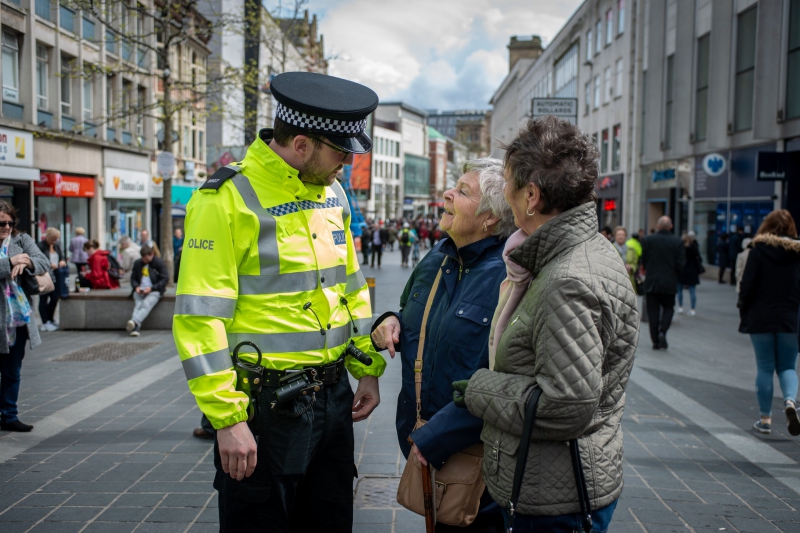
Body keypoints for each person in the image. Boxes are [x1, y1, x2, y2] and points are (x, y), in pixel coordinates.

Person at [173, 71, 385, 532]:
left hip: (332, 400)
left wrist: (366, 368)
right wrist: (227, 420)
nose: (346, 163)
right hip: (265, 408)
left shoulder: (332, 194)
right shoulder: (225, 200)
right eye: (340, 151)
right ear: (303, 144)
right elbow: (198, 319)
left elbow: (349, 289)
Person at [456, 117, 638, 532]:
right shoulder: (570, 253)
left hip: (555, 496)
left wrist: (480, 388)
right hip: (557, 480)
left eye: (507, 183)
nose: (504, 194)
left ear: (532, 196)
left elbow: (564, 405)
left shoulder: (566, 280)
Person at [371, 158, 515, 532]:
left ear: (491, 219)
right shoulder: (437, 258)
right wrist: (387, 322)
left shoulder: (507, 278)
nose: (447, 193)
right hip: (424, 447)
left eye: (463, 191)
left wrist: (438, 435)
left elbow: (505, 378)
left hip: (476, 461)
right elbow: (414, 321)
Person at [738, 210, 800, 436]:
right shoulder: (798, 253)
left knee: (765, 367)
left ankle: (765, 419)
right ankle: (790, 402)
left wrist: (743, 309)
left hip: (761, 316)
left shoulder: (758, 251)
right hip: (791, 318)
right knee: (787, 367)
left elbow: (747, 285)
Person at [0, 201, 49, 432]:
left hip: (16, 319)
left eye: (10, 222)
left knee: (12, 370)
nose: (7, 227)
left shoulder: (22, 240)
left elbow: (43, 261)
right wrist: (9, 262)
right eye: (2, 223)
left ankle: (9, 415)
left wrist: (27, 260)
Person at [641, 216, 685, 350]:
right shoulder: (677, 241)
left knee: (653, 310)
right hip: (669, 281)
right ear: (671, 226)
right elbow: (681, 263)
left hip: (652, 281)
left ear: (658, 226)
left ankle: (655, 340)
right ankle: (663, 331)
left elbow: (644, 259)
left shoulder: (648, 240)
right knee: (668, 308)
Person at [126, 244, 168, 337]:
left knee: (146, 304)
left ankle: (134, 323)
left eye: (146, 259)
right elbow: (133, 278)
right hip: (140, 290)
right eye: (143, 259)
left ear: (152, 254)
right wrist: (136, 287)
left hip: (154, 290)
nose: (144, 261)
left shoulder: (159, 263)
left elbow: (165, 279)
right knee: (138, 305)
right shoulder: (138, 263)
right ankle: (135, 327)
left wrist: (152, 288)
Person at [36, 228, 66, 332]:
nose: (54, 241)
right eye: (53, 239)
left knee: (54, 298)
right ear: (48, 237)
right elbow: (37, 260)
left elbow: (62, 256)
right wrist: (49, 265)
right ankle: (45, 322)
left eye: (56, 239)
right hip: (44, 275)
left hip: (56, 276)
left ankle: (50, 318)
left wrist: (62, 261)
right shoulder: (40, 246)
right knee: (43, 299)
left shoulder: (57, 245)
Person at [677, 231, 701, 316]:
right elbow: (699, 258)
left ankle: (680, 307)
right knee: (692, 291)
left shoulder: (681, 248)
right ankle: (693, 309)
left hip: (682, 271)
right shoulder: (694, 247)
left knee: (679, 290)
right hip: (692, 271)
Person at [613, 227, 638, 293]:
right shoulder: (609, 249)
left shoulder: (631, 249)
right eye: (618, 235)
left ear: (626, 237)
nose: (620, 237)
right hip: (614, 281)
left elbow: (635, 263)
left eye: (622, 235)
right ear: (615, 236)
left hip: (628, 281)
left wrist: (631, 267)